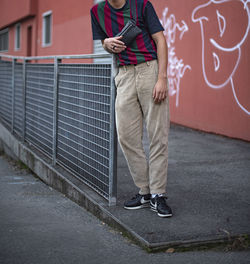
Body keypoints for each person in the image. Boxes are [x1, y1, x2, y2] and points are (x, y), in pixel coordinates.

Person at [91, 0, 172, 218]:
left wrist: (162, 78)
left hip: (150, 70)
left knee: (158, 136)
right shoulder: (97, 11)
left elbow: (160, 40)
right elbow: (105, 44)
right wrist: (107, 44)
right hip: (124, 76)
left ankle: (158, 194)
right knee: (126, 137)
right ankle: (145, 191)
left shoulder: (142, 5)